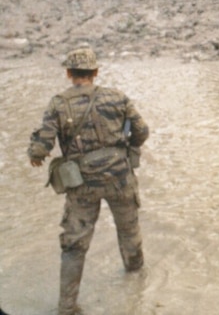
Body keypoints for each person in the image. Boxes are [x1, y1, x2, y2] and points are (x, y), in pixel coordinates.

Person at [28, 48, 149, 315]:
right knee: (129, 232)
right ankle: (137, 285)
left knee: (74, 246)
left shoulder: (58, 104)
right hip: (120, 178)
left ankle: (68, 307)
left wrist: (34, 155)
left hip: (82, 185)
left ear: (69, 73)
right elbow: (141, 131)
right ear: (95, 72)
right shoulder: (118, 97)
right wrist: (127, 150)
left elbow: (41, 147)